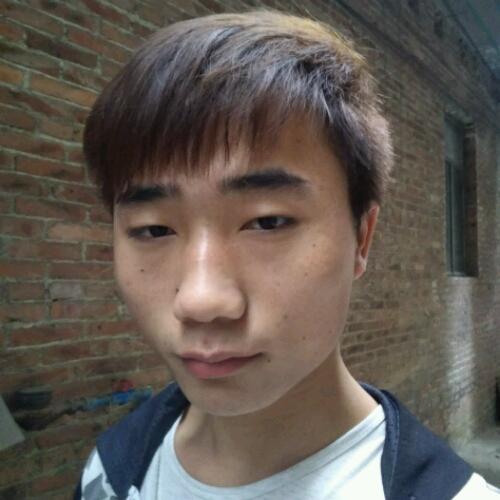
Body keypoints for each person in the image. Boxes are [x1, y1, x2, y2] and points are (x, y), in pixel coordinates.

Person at [75, 10, 499, 500]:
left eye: (268, 222)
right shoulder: (111, 470)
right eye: (154, 229)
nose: (201, 301)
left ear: (362, 238)